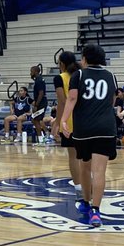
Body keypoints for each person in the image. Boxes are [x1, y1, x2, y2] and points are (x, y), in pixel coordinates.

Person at [59, 43, 119, 228]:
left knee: (84, 167)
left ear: (84, 58)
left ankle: (85, 202)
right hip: (106, 127)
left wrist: (63, 120)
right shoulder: (111, 76)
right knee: (100, 170)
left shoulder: (79, 74)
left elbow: (72, 98)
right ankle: (96, 211)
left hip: (84, 128)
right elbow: (112, 100)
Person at [52, 51, 82, 191]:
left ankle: (79, 188)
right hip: (86, 119)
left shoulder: (60, 78)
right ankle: (90, 184)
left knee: (73, 156)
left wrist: (57, 123)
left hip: (69, 121)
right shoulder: (82, 74)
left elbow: (62, 103)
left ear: (62, 64)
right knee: (86, 156)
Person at [29, 65, 52, 143]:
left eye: (31, 71)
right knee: (34, 120)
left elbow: (41, 93)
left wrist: (36, 105)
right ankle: (42, 137)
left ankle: (43, 137)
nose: (30, 73)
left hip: (41, 103)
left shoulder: (39, 80)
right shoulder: (38, 79)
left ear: (35, 71)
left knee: (35, 120)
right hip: (41, 103)